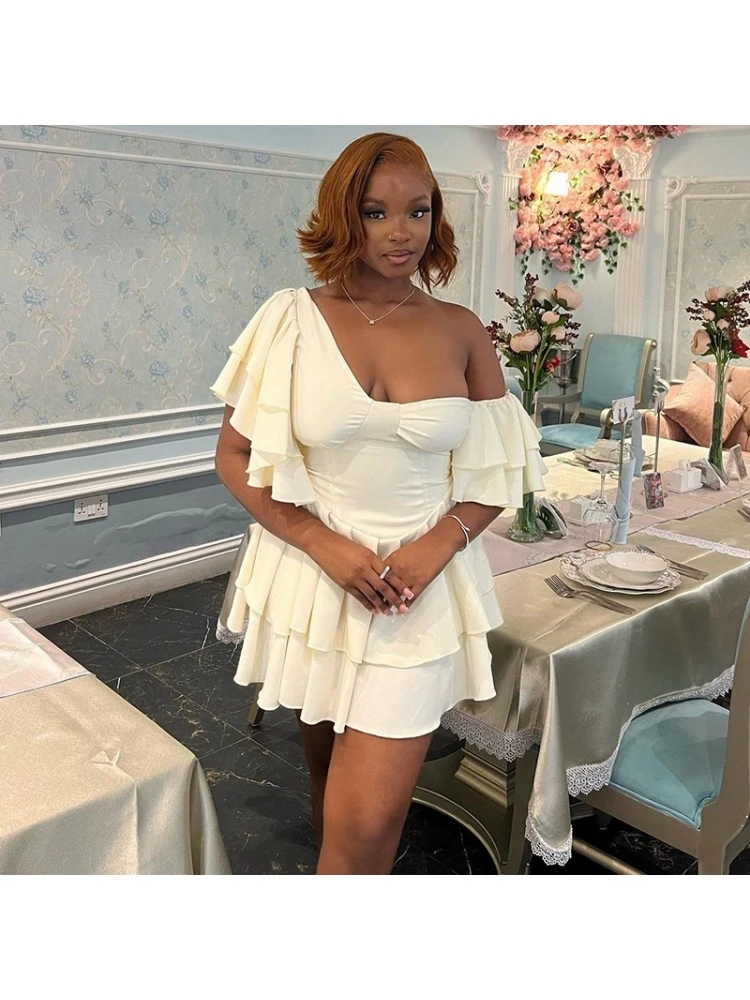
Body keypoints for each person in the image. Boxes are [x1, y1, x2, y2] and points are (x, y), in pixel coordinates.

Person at [211, 131, 546, 875]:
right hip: (314, 581)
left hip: (412, 597)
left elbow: (498, 473)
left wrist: (437, 546)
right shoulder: (288, 319)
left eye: (418, 211)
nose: (402, 232)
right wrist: (321, 543)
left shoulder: (461, 330)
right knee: (327, 785)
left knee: (364, 827)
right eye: (377, 212)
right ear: (344, 215)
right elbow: (233, 457)